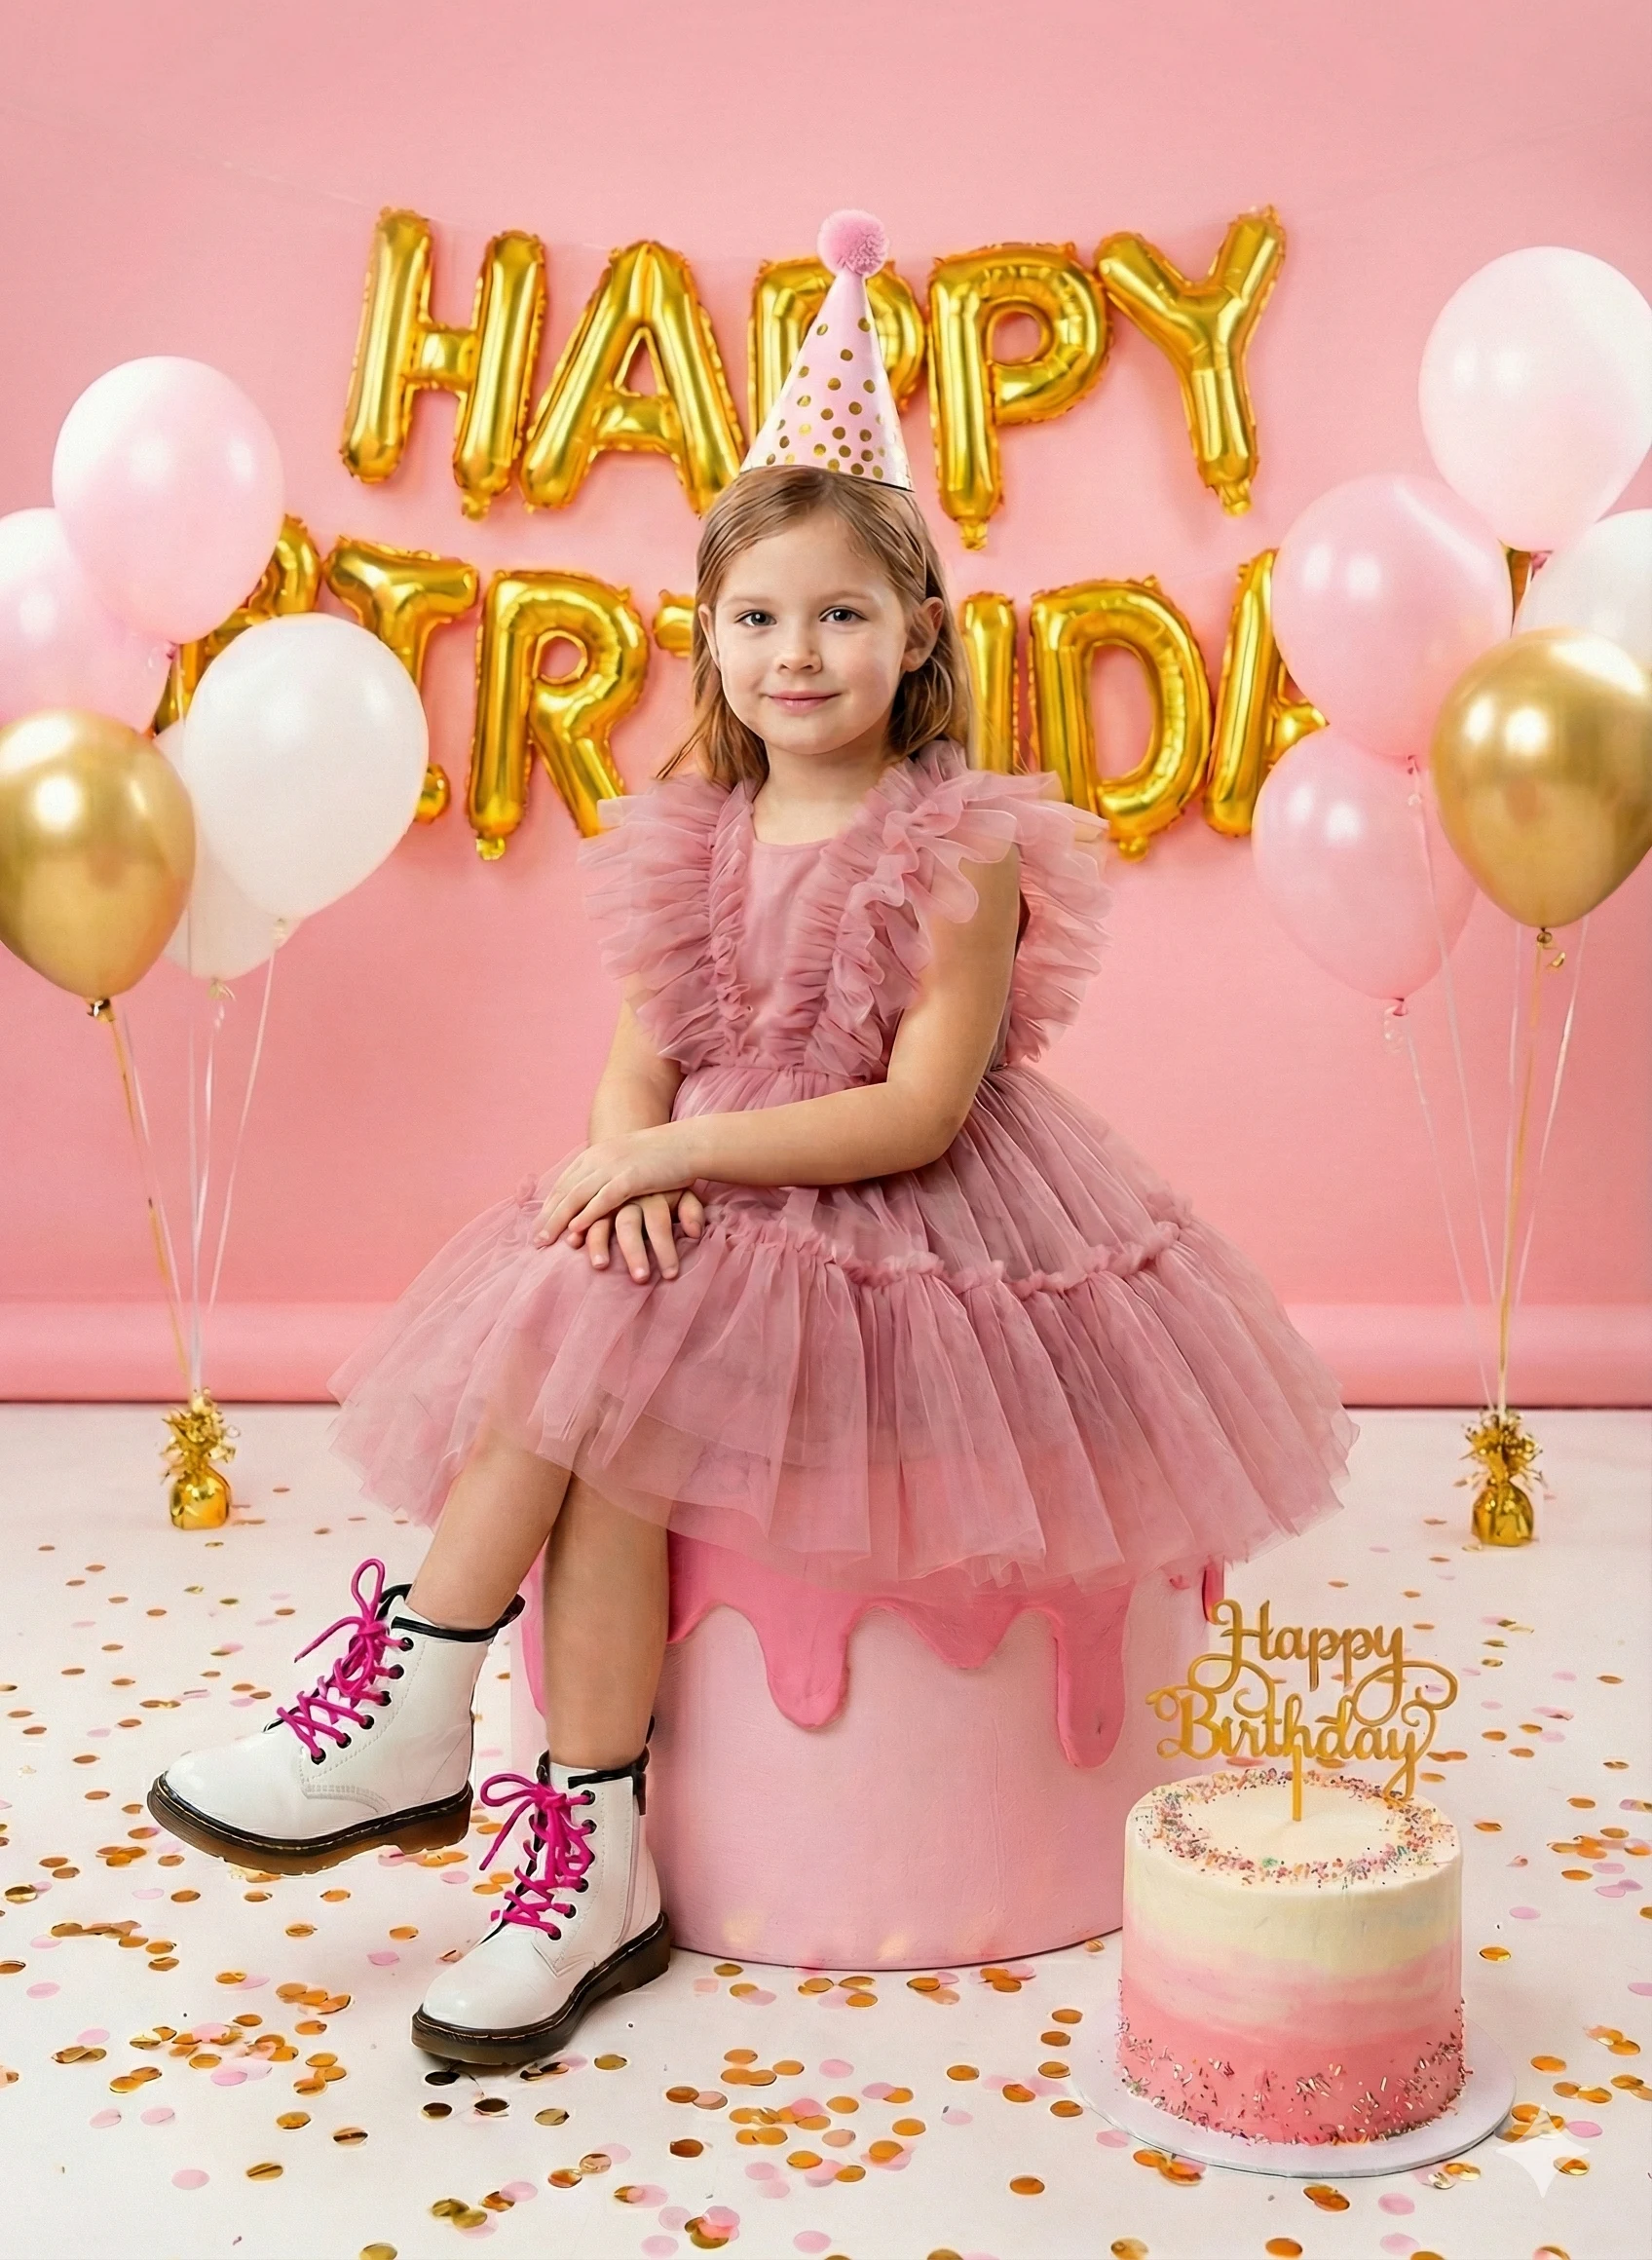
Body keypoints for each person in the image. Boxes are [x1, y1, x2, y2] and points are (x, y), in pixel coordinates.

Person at [148, 210, 1352, 2069]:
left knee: (615, 1365)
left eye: (844, 614)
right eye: (762, 617)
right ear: (707, 639)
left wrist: (677, 1167)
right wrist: (625, 1162)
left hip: (900, 1206)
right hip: (698, 1202)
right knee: (601, 1373)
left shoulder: (954, 847)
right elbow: (639, 1058)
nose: (801, 653)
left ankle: (417, 1690)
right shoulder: (691, 830)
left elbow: (919, 1105)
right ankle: (592, 1849)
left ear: (919, 637)